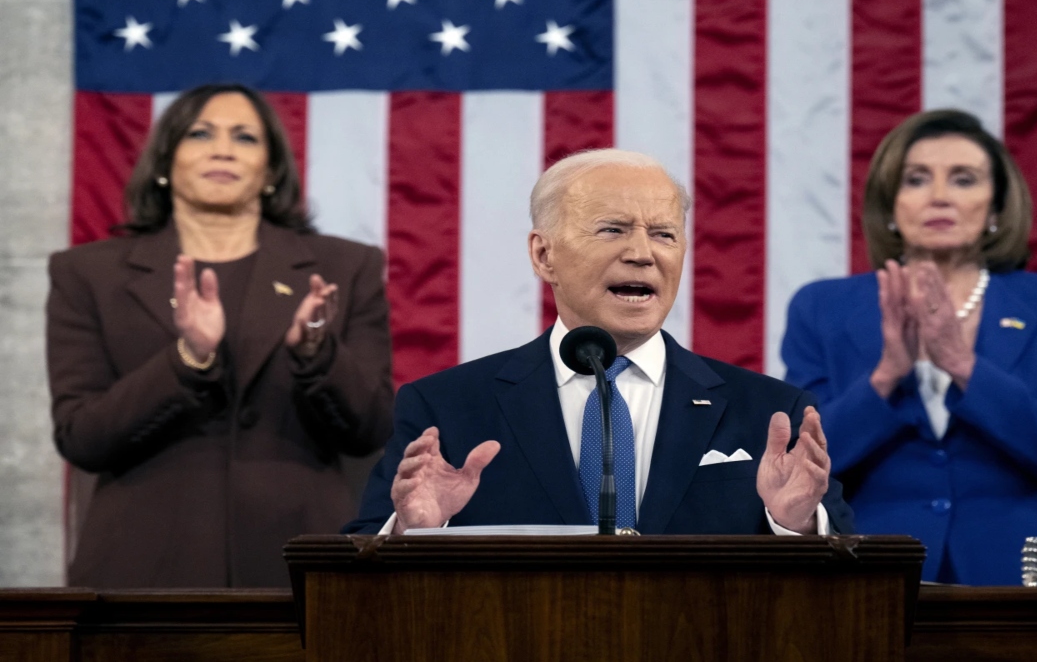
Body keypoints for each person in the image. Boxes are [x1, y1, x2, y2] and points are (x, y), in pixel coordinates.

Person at [346, 149, 853, 536]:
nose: (642, 253)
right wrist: (417, 532)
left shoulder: (771, 411)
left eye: (664, 234)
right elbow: (362, 563)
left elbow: (850, 574)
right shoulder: (447, 408)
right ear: (544, 255)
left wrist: (796, 525)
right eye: (612, 230)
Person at [47, 83, 394, 588]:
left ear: (272, 168)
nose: (223, 148)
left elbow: (373, 429)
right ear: (166, 159)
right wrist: (188, 359)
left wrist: (317, 353)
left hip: (303, 568)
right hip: (143, 570)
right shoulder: (88, 274)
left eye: (245, 137)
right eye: (200, 133)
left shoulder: (344, 267)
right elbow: (82, 437)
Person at [781, 109, 1037, 585]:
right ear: (890, 206)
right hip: (868, 574)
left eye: (963, 179)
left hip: (1022, 579)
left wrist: (963, 365)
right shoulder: (821, 307)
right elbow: (797, 463)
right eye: (916, 180)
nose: (939, 197)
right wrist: (886, 375)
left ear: (996, 208)